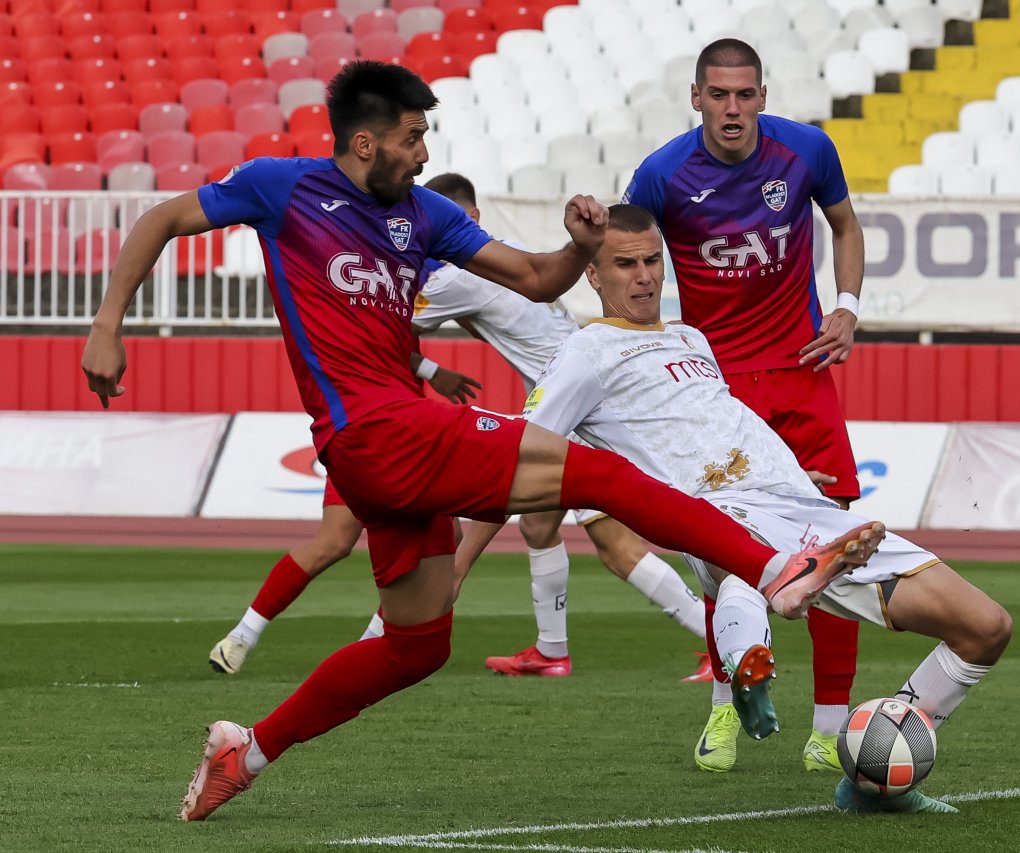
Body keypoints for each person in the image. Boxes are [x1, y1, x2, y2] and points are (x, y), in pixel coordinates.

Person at [80, 61, 840, 822]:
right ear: (366, 143)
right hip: (379, 433)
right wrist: (108, 326)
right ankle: (773, 568)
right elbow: (161, 219)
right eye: (413, 138)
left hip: (387, 448)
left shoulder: (424, 213)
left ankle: (243, 754)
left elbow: (537, 278)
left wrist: (580, 248)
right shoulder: (282, 187)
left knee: (417, 646)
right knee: (599, 475)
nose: (423, 154)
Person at [459, 204, 1011, 814]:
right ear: (592, 273)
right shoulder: (584, 352)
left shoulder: (690, 338)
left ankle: (874, 769)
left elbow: (715, 423)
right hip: (713, 512)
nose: (643, 277)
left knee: (985, 628)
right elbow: (514, 459)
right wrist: (457, 567)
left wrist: (790, 473)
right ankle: (752, 650)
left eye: (652, 261)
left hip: (801, 503)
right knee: (739, 565)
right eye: (624, 264)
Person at [623, 37, 867, 773]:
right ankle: (725, 705)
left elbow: (846, 225)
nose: (733, 108)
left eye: (745, 94)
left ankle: (829, 732)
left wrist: (848, 306)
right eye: (719, 95)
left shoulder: (807, 151)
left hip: (800, 374)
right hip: (716, 392)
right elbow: (625, 260)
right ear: (696, 97)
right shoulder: (661, 174)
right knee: (723, 552)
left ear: (763, 95)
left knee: (838, 550)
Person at [414, 172, 710, 682]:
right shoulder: (505, 256)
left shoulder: (455, 280)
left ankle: (721, 641)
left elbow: (381, 324)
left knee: (614, 545)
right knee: (538, 525)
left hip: (577, 408)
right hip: (582, 392)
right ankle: (551, 650)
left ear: (470, 218)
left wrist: (427, 369)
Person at [208, 356, 479, 674]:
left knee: (342, 541)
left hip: (369, 428)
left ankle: (245, 637)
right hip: (383, 430)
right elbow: (382, 344)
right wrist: (433, 371)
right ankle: (246, 635)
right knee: (356, 541)